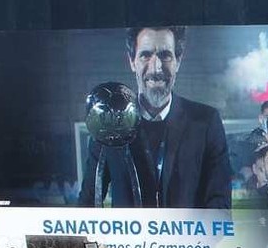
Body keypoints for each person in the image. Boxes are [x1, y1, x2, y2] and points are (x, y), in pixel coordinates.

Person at [78, 26, 232, 209]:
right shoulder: (109, 122)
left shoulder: (206, 122)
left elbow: (219, 204)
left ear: (178, 61)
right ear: (132, 61)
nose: (156, 67)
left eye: (165, 55)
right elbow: (87, 203)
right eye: (145, 55)